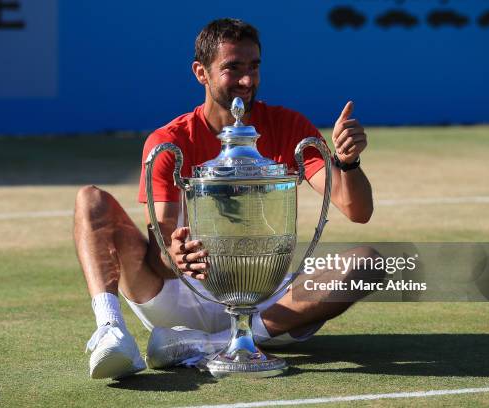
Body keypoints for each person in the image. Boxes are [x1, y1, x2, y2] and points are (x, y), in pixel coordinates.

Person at [74, 18, 382, 380]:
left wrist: (348, 162)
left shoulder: (289, 126)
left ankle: (213, 343)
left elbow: (357, 211)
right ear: (201, 73)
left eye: (254, 67)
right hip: (180, 293)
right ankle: (111, 331)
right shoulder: (168, 141)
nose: (247, 80)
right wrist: (175, 256)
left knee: (367, 263)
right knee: (90, 199)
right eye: (232, 68)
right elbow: (160, 260)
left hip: (264, 297)